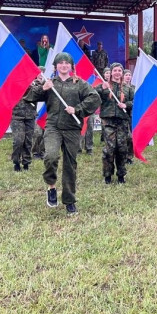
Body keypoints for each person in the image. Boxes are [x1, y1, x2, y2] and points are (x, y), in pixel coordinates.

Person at [26, 52, 101, 214]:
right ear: (55, 66)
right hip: (53, 127)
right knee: (51, 156)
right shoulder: (49, 83)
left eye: (67, 63)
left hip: (72, 128)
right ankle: (51, 186)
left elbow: (95, 98)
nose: (64, 65)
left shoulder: (79, 83)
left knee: (70, 165)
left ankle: (69, 200)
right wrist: (42, 89)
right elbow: (29, 96)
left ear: (72, 66)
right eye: (60, 63)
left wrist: (77, 109)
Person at [97, 62, 134, 184]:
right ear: (111, 72)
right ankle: (107, 175)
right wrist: (101, 89)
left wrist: (126, 104)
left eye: (119, 71)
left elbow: (135, 102)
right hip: (108, 121)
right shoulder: (105, 86)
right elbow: (94, 97)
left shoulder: (128, 88)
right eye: (115, 70)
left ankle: (121, 175)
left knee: (122, 149)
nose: (117, 73)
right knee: (109, 149)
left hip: (122, 121)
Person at [11, 78, 39, 171]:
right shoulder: (14, 81)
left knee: (28, 141)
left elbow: (39, 93)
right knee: (18, 140)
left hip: (30, 116)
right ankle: (16, 162)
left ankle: (26, 163)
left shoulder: (36, 84)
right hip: (16, 116)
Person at [123, 69, 135, 164]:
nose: (128, 77)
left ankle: (129, 156)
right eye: (126, 75)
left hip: (132, 115)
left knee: (132, 137)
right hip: (123, 115)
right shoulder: (120, 88)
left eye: (129, 75)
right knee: (126, 137)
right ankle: (123, 156)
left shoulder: (134, 87)